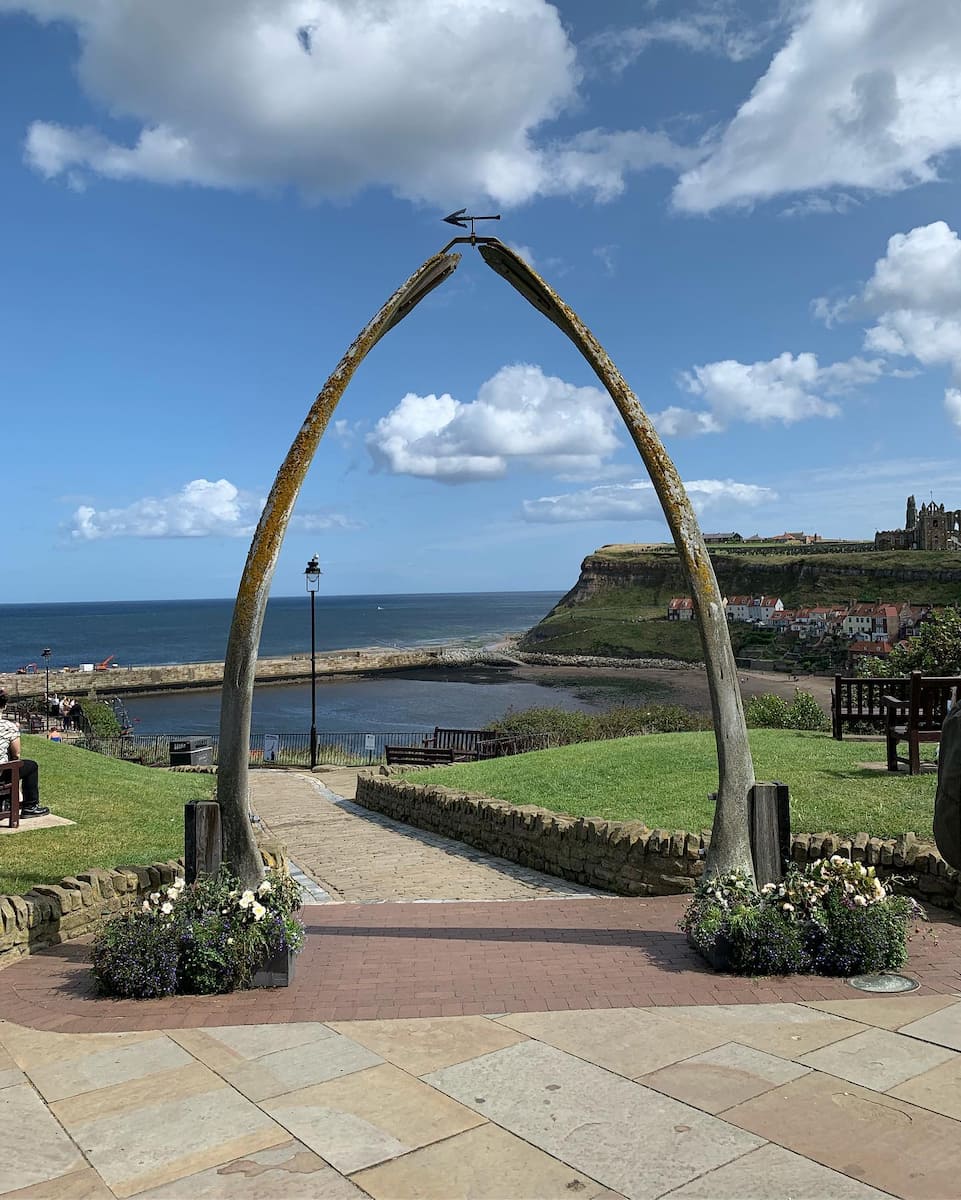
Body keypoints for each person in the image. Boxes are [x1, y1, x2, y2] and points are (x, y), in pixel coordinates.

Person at [0, 713, 49, 818]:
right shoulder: (8, 726)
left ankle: (6, 801)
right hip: (1, 773)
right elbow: (16, 755)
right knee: (31, 766)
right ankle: (30, 806)